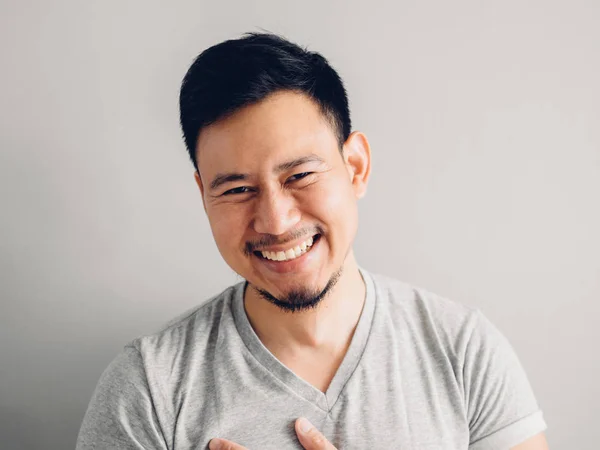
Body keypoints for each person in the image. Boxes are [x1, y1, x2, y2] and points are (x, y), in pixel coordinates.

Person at [76, 33, 548, 450]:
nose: (276, 221)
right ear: (204, 196)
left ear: (356, 166)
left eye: (300, 175)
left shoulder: (464, 351)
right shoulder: (149, 386)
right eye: (237, 190)